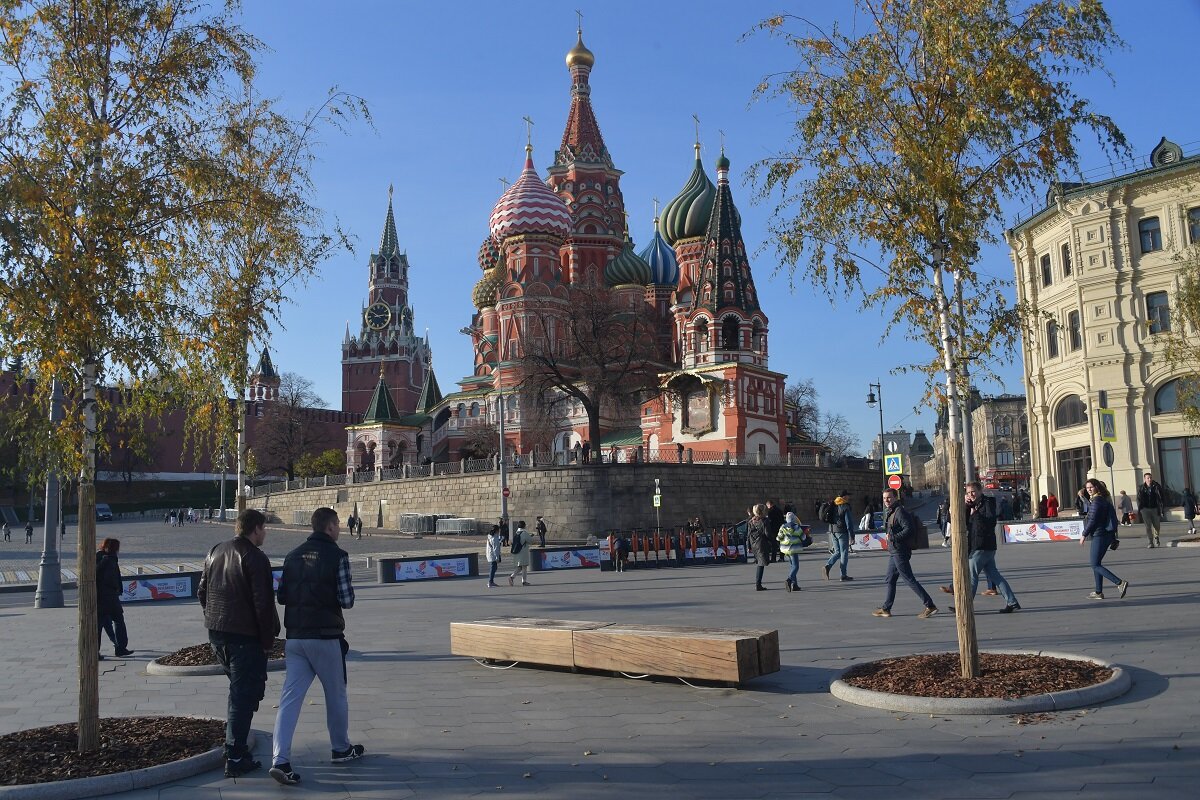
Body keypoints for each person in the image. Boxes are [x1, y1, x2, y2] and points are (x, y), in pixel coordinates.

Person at [269, 507, 364, 787]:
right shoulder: (338, 556)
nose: (339, 529)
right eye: (337, 525)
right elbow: (346, 600)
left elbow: (283, 596)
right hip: (325, 636)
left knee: (290, 698)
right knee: (336, 695)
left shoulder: (292, 555)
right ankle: (340, 748)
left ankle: (280, 759)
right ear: (331, 527)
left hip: (295, 636)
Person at [198, 509, 280, 779]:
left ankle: (237, 748)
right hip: (244, 637)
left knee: (240, 691)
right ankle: (234, 755)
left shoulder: (216, 550)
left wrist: (213, 618)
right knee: (243, 696)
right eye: (264, 528)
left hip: (217, 633)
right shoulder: (255, 558)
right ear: (255, 528)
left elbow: (202, 591)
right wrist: (268, 642)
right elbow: (263, 604)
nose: (265, 533)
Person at [943, 483, 1020, 614]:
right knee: (995, 576)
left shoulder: (988, 502)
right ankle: (1012, 602)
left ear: (980, 491)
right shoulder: (971, 505)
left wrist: (974, 511)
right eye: (968, 493)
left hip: (983, 546)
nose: (970, 495)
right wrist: (964, 507)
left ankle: (965, 607)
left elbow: (990, 521)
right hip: (980, 546)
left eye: (973, 492)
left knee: (971, 576)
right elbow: (958, 521)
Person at [872, 488, 938, 619]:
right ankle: (886, 608)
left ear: (896, 498)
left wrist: (893, 537)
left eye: (889, 497)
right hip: (894, 551)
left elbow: (909, 529)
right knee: (890, 579)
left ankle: (930, 605)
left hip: (900, 551)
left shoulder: (899, 512)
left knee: (909, 579)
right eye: (884, 498)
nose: (886, 500)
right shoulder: (891, 511)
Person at [1080, 479, 1128, 600]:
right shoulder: (1101, 499)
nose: (1089, 489)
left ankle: (1119, 583)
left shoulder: (1097, 501)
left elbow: (1092, 520)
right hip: (1105, 534)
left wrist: (1084, 534)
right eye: (1087, 488)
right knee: (1096, 564)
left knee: (1095, 564)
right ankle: (1098, 592)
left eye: (1091, 487)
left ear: (1096, 487)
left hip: (1100, 535)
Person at [96, 538, 133, 656]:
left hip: (100, 597)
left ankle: (95, 651)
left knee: (99, 625)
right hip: (109, 597)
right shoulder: (110, 560)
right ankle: (120, 648)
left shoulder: (99, 557)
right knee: (118, 621)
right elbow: (111, 579)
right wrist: (117, 589)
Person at [823, 495, 853, 582]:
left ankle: (827, 566)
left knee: (837, 552)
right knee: (844, 553)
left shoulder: (833, 504)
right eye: (847, 496)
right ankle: (843, 575)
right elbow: (849, 522)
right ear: (844, 497)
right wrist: (852, 536)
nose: (849, 497)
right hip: (842, 532)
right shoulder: (845, 506)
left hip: (832, 531)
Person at [776, 511, 805, 592]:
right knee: (796, 566)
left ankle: (794, 585)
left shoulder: (782, 527)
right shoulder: (796, 527)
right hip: (794, 548)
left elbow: (779, 538)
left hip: (785, 549)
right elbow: (803, 537)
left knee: (792, 566)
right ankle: (789, 580)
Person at [1136, 472, 1165, 548]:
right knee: (1148, 526)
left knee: (1157, 526)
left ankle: (1156, 537)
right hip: (1145, 509)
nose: (1149, 479)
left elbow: (1161, 497)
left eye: (1150, 478)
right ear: (1145, 479)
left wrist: (1161, 507)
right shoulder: (1141, 487)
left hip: (1155, 508)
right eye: (1148, 478)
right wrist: (1140, 508)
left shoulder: (1156, 486)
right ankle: (1150, 542)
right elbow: (1138, 498)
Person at [747, 504, 770, 591]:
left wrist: (749, 545)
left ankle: (758, 584)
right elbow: (767, 533)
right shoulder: (764, 521)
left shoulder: (751, 521)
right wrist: (773, 541)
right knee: (761, 564)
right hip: (761, 543)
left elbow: (748, 534)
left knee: (760, 563)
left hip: (754, 544)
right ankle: (758, 584)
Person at [507, 520, 533, 586]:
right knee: (524, 566)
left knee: (520, 567)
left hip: (517, 551)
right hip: (523, 552)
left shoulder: (516, 533)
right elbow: (530, 541)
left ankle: (512, 577)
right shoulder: (524, 533)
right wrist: (530, 536)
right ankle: (523, 581)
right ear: (524, 526)